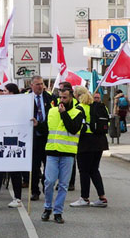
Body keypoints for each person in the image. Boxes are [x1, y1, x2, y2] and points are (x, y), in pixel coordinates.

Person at [42, 88, 83, 224]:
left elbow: (73, 128)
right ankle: (47, 207)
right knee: (49, 182)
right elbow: (46, 128)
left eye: (65, 98)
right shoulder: (52, 111)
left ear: (72, 97)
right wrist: (37, 125)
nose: (62, 100)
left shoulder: (78, 112)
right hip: (52, 152)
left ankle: (58, 212)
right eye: (60, 97)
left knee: (63, 185)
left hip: (68, 154)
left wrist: (64, 114)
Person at [0, 83, 26, 209]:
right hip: (1, 139)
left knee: (15, 171)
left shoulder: (21, 106)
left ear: (12, 93)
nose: (2, 93)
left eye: (5, 91)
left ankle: (17, 198)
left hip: (15, 140)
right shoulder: (0, 104)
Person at [69, 87, 108, 208]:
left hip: (86, 142)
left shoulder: (79, 108)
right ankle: (102, 198)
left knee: (84, 171)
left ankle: (84, 198)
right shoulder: (99, 106)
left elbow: (76, 127)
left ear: (77, 95)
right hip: (100, 141)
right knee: (94, 170)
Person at [29, 75, 52, 201]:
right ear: (32, 85)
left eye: (42, 84)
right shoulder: (26, 98)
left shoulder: (50, 98)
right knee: (34, 166)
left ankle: (46, 187)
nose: (40, 86)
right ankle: (34, 191)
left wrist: (42, 126)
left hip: (47, 136)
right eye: (37, 84)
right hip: (33, 137)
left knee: (48, 165)